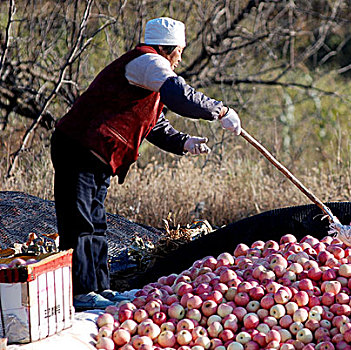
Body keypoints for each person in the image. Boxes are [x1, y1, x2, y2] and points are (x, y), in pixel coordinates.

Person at [50, 17, 241, 309]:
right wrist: (220, 110)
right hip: (78, 147)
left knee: (96, 224)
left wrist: (184, 143)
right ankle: (81, 292)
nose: (181, 57)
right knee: (80, 223)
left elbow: (152, 123)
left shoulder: (150, 71)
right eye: (180, 50)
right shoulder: (147, 62)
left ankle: (101, 288)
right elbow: (181, 96)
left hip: (98, 155)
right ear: (170, 48)